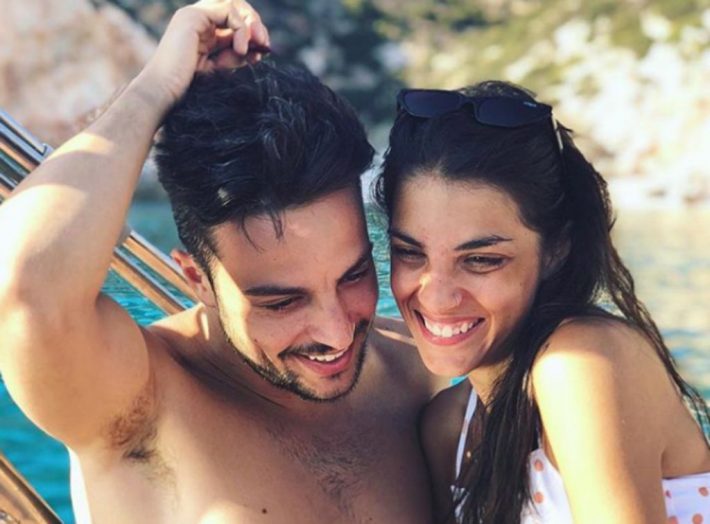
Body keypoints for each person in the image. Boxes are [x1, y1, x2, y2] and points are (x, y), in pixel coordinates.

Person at [0, 2, 442, 522]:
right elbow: (25, 289)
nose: (337, 332)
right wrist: (157, 86)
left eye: (354, 275)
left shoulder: (417, 372)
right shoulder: (140, 405)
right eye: (282, 302)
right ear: (197, 278)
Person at [374, 82, 710, 523]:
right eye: (410, 252)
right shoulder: (448, 431)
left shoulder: (579, 362)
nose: (436, 295)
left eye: (481, 260)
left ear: (556, 249)